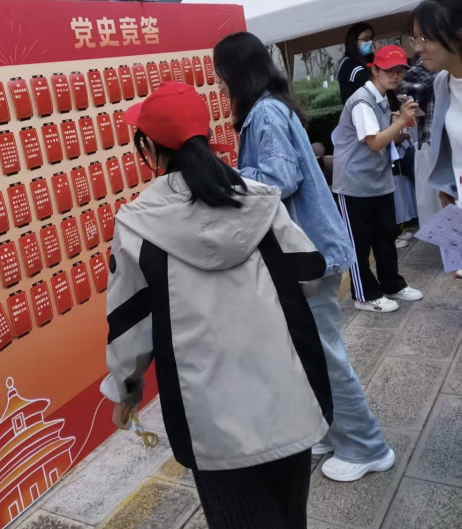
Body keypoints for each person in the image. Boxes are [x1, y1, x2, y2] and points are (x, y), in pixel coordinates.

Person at [100, 82, 333, 529]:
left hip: (209, 423)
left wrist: (125, 391)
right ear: (206, 136)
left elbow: (130, 323)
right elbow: (308, 274)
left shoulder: (138, 225)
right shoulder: (258, 199)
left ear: (149, 148)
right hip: (288, 398)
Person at [213, 31, 394, 483]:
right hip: (309, 249)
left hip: (308, 251)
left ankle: (367, 446)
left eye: (219, 74)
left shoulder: (264, 113)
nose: (218, 83)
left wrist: (227, 176)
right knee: (312, 352)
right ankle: (334, 431)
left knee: (325, 355)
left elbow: (279, 179)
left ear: (236, 72)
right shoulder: (273, 106)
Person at [333, 45, 424, 311]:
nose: (395, 76)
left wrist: (403, 125)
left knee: (385, 236)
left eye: (400, 71)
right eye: (389, 70)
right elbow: (374, 143)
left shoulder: (383, 98)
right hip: (354, 184)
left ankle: (392, 284)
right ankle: (365, 295)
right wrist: (401, 122)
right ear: (375, 70)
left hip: (377, 180)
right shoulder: (362, 101)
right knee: (360, 243)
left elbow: (387, 138)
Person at [409, 0, 462, 278]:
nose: (417, 48)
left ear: (457, 35)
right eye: (415, 38)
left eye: (425, 38)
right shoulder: (442, 83)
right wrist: (447, 184)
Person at [395, 57, 441, 227]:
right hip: (432, 144)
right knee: (438, 209)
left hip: (436, 144)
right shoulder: (433, 66)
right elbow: (402, 88)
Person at [338, 23, 378, 104]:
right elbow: (377, 85)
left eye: (371, 38)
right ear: (354, 41)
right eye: (365, 39)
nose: (370, 42)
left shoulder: (368, 60)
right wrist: (379, 58)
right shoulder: (350, 65)